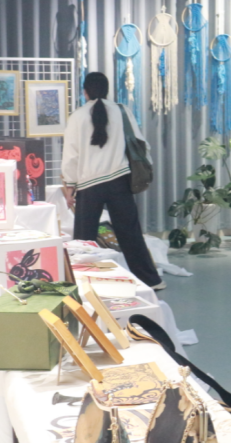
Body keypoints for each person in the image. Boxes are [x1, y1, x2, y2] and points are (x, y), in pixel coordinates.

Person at [60, 72, 163, 289]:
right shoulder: (122, 111)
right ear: (107, 90)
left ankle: (82, 283)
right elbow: (140, 143)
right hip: (119, 181)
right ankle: (151, 280)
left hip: (88, 185)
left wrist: (69, 185)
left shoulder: (77, 116)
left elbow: (71, 155)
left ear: (85, 92)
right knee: (130, 234)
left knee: (83, 239)